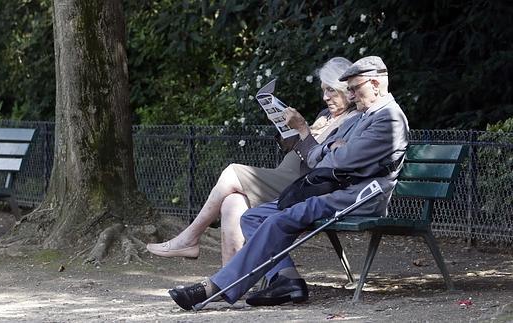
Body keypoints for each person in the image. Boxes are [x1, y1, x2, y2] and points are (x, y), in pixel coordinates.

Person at [167, 56, 410, 310]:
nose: (350, 94)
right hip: (335, 190)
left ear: (374, 83)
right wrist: (331, 146)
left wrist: (331, 150)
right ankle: (287, 279)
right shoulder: (365, 115)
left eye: (354, 88)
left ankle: (217, 287)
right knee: (253, 217)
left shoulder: (388, 118)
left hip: (357, 198)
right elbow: (324, 157)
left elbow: (338, 162)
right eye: (347, 89)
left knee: (279, 219)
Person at [146, 57, 360, 266]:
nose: (325, 97)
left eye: (330, 90)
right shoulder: (326, 115)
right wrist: (282, 124)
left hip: (303, 184)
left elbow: (322, 162)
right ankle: (231, 282)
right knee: (232, 203)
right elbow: (298, 147)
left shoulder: (354, 120)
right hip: (284, 177)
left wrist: (303, 128)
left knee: (232, 172)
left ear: (345, 89)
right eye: (323, 90)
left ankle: (190, 237)